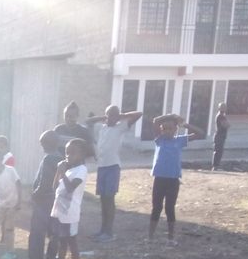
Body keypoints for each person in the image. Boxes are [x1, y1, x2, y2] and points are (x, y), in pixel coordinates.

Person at [85, 105, 143, 241]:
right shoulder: (102, 128)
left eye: (114, 115)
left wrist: (121, 116)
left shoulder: (120, 127)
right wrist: (104, 117)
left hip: (112, 167)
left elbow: (139, 114)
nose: (111, 118)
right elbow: (88, 121)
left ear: (118, 116)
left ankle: (109, 232)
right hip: (102, 167)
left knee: (109, 199)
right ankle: (102, 230)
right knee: (103, 200)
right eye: (108, 115)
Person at [149, 114, 205, 245]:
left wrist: (184, 124)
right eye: (165, 129)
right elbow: (155, 120)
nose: (167, 131)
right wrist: (171, 116)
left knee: (170, 208)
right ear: (161, 130)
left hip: (173, 180)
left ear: (175, 129)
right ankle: (150, 237)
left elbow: (200, 133)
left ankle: (170, 238)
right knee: (156, 207)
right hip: (159, 178)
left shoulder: (180, 140)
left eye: (170, 128)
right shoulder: (159, 139)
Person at [40, 138, 88, 259]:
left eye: (73, 153)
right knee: (61, 242)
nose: (68, 156)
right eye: (67, 153)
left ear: (82, 154)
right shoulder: (69, 169)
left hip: (70, 213)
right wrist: (59, 171)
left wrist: (63, 173)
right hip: (59, 211)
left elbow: (71, 188)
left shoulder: (82, 170)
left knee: (72, 244)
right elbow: (55, 187)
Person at [23, 131, 63, 259]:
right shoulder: (61, 158)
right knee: (54, 229)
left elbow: (44, 182)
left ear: (46, 144)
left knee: (37, 231)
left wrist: (34, 196)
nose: (42, 147)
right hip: (56, 199)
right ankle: (51, 257)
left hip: (43, 200)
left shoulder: (48, 159)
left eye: (42, 144)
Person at [212, 102, 230, 170]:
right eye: (223, 107)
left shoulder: (222, 116)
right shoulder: (220, 116)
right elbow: (226, 125)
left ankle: (216, 166)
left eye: (224, 107)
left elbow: (227, 125)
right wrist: (227, 124)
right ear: (219, 108)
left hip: (221, 136)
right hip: (219, 136)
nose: (224, 109)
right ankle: (215, 167)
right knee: (218, 151)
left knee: (219, 152)